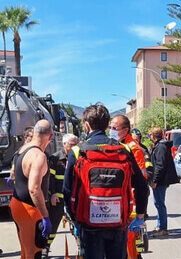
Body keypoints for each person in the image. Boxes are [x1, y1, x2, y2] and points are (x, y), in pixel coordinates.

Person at [63, 104, 149, 258]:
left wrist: (74, 219)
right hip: (118, 224)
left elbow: (67, 190)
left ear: (87, 125)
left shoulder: (78, 151)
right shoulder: (124, 150)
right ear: (107, 125)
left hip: (88, 224)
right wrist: (140, 215)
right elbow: (142, 186)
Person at [10, 120, 54, 258]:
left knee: (25, 250)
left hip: (17, 204)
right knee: (33, 252)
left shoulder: (21, 150)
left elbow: (13, 174)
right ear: (50, 137)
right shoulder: (38, 156)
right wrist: (45, 216)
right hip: (30, 210)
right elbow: (34, 189)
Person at [43, 134, 78, 252]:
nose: (74, 147)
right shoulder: (55, 158)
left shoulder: (79, 157)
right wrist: (52, 194)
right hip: (58, 198)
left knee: (77, 226)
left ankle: (80, 248)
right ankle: (45, 248)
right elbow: (49, 179)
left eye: (76, 144)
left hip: (74, 199)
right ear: (64, 144)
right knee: (52, 225)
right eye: (71, 144)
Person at [148, 127, 180, 237]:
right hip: (161, 180)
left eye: (150, 135)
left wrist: (155, 180)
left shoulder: (160, 147)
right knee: (158, 203)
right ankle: (159, 225)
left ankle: (162, 228)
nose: (149, 137)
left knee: (160, 204)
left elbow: (160, 166)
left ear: (153, 135)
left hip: (160, 181)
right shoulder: (159, 146)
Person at [110, 115, 149, 180]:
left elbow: (142, 175)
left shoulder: (133, 148)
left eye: (114, 128)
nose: (111, 131)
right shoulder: (114, 143)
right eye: (110, 127)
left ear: (125, 130)